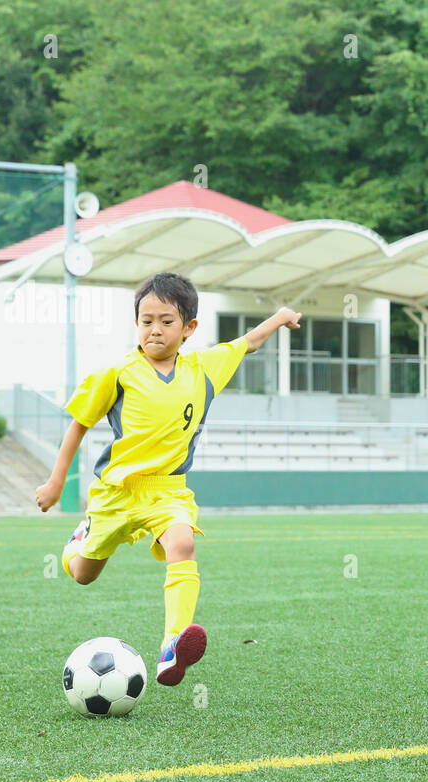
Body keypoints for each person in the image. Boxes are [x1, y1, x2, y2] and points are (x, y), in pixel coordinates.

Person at [35, 272, 301, 686]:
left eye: (166, 320)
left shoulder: (204, 368)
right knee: (85, 573)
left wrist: (280, 316)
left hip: (169, 491)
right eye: (146, 320)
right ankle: (76, 543)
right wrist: (55, 483)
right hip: (116, 492)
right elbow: (78, 425)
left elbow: (248, 342)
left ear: (189, 328)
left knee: (184, 542)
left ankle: (171, 645)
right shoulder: (117, 373)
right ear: (136, 324)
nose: (155, 329)